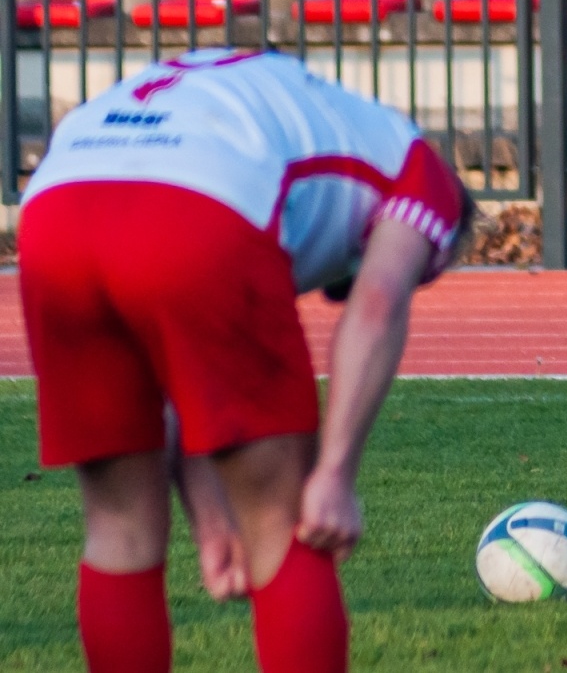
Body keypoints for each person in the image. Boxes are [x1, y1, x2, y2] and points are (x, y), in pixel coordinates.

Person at [18, 48, 474, 673]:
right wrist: (335, 475)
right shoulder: (425, 176)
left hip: (55, 206)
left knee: (118, 522)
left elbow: (178, 354)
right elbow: (375, 303)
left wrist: (209, 514)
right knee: (288, 525)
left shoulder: (293, 111)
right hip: (204, 202)